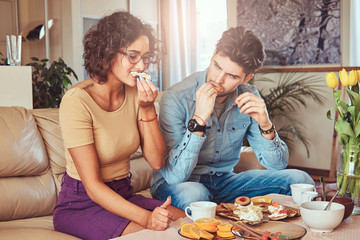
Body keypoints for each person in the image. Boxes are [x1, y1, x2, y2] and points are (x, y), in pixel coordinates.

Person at [150, 26, 315, 210]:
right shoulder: (176, 97)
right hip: (179, 184)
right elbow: (175, 175)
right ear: (213, 54)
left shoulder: (249, 96)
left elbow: (277, 165)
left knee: (301, 180)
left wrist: (265, 124)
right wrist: (198, 121)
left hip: (225, 182)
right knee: (196, 194)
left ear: (246, 78)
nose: (218, 79)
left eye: (231, 75)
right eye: (217, 66)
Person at [53, 11, 184, 240]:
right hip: (82, 202)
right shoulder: (77, 101)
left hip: (124, 194)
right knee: (158, 236)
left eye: (145, 57)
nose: (142, 65)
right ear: (108, 53)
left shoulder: (136, 94)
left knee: (187, 222)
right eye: (133, 56)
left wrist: (146, 108)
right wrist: (146, 218)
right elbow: (93, 187)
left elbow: (155, 160)